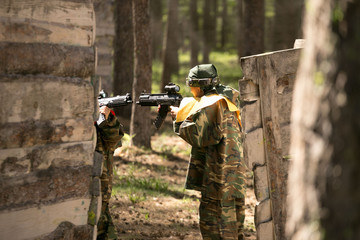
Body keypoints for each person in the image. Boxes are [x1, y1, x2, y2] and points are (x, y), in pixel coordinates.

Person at [170, 64, 247, 239]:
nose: (191, 89)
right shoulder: (227, 97)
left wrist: (178, 118)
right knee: (234, 230)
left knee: (214, 230)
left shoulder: (212, 104)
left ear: (200, 85)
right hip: (234, 178)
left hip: (218, 181)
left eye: (192, 85)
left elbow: (199, 135)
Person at [95, 105, 124, 240]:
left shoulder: (105, 116)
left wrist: (108, 118)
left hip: (102, 181)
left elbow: (115, 140)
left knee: (102, 220)